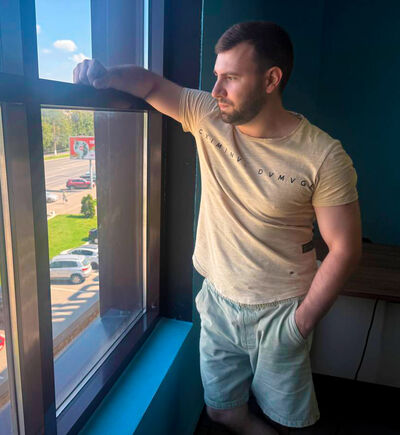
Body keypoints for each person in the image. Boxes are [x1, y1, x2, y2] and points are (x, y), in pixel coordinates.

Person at [74, 21, 362, 435]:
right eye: (216, 75)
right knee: (222, 411)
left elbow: (345, 248)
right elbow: (151, 85)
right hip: (218, 301)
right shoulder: (208, 116)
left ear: (271, 80)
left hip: (281, 310)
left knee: (287, 420)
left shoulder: (323, 156)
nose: (216, 90)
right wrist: (106, 75)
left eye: (231, 78)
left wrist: (300, 324)